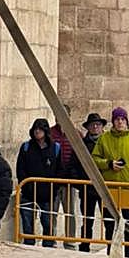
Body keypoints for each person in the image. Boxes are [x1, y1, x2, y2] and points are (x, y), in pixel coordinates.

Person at [92, 107, 129, 258]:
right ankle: (112, 253)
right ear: (113, 121)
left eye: (122, 119)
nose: (120, 122)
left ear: (126, 121)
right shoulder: (104, 139)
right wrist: (109, 164)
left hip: (128, 188)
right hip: (110, 188)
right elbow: (95, 159)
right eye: (117, 119)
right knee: (110, 224)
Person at [16, 118, 62, 247]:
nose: (37, 132)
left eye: (40, 129)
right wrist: (26, 185)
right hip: (28, 193)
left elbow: (59, 170)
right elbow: (20, 169)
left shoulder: (55, 148)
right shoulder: (26, 147)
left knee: (47, 223)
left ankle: (48, 245)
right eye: (35, 129)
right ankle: (28, 245)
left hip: (47, 194)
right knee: (27, 224)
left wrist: (54, 188)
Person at [49, 107, 81, 249]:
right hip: (54, 179)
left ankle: (70, 240)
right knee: (52, 211)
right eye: (57, 115)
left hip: (69, 180)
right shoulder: (50, 133)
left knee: (70, 212)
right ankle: (51, 240)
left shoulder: (76, 133)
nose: (59, 118)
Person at [76, 112, 108, 252]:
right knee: (87, 220)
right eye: (92, 125)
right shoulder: (82, 145)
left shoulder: (107, 143)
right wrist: (80, 183)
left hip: (105, 188)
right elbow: (74, 164)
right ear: (88, 127)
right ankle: (84, 246)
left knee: (108, 220)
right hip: (87, 188)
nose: (95, 127)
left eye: (98, 124)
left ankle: (110, 246)